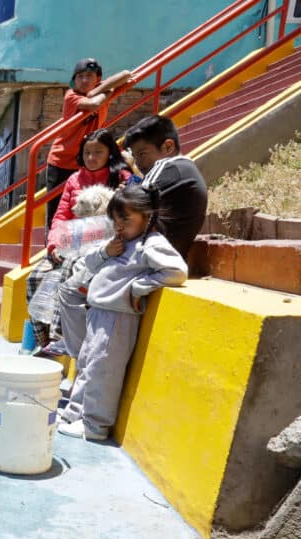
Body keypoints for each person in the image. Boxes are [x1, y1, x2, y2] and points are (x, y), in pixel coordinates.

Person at [57, 184, 188, 441]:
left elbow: (176, 271)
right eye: (115, 220)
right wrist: (106, 252)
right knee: (85, 364)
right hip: (99, 311)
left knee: (102, 370)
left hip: (117, 316)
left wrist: (137, 288)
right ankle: (75, 412)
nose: (119, 226)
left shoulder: (149, 244)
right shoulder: (120, 242)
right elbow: (86, 264)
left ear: (146, 216)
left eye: (126, 219)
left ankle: (94, 425)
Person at [26, 128, 131, 351]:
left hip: (105, 246)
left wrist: (126, 192)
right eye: (87, 153)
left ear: (110, 153)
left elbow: (132, 208)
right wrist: (53, 244)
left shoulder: (122, 177)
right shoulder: (74, 179)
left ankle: (58, 337)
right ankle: (42, 342)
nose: (91, 158)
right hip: (71, 243)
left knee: (68, 273)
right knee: (34, 277)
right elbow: (61, 215)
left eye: (98, 152)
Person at [45, 58, 133, 229]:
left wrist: (98, 90)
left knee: (89, 208)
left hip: (89, 161)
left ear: (97, 78)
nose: (85, 80)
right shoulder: (71, 96)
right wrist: (105, 92)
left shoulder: (99, 90)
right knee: (58, 210)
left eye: (89, 76)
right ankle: (53, 248)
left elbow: (126, 74)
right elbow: (93, 104)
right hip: (62, 161)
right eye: (80, 76)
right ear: (74, 80)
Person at [123, 115, 208, 259]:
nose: (138, 163)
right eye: (135, 157)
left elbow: (123, 210)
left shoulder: (167, 166)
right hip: (160, 260)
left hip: (143, 261)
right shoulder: (184, 170)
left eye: (142, 154)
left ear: (168, 147)